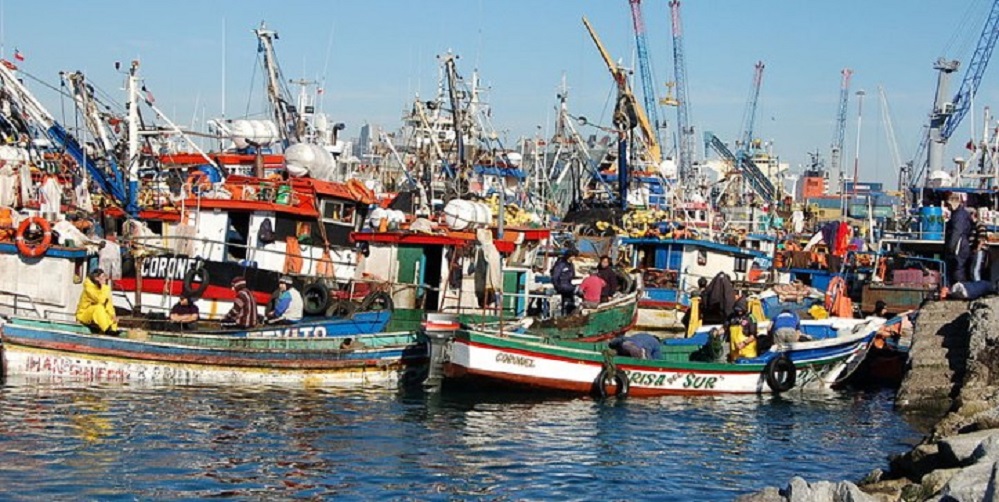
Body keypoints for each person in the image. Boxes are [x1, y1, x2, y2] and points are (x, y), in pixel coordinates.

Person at [76, 268, 119, 335]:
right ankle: (107, 330)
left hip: (98, 314)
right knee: (98, 308)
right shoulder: (89, 288)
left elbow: (109, 305)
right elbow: (100, 300)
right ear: (97, 278)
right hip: (84, 314)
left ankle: (113, 330)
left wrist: (113, 315)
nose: (105, 278)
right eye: (103, 277)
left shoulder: (104, 288)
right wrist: (105, 289)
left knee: (110, 315)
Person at [944, 193, 973, 285]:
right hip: (962, 243)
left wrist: (951, 247)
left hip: (959, 244)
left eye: (949, 204)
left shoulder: (959, 215)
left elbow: (957, 231)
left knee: (958, 268)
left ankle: (960, 288)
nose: (948, 207)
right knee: (958, 267)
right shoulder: (961, 214)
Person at [725, 297, 759, 361]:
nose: (739, 312)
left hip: (748, 352)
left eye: (741, 310)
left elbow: (753, 336)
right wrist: (717, 332)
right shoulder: (732, 317)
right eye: (737, 310)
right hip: (735, 352)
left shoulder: (751, 318)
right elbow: (725, 328)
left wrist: (743, 343)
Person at [550, 248, 578, 316]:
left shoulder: (571, 265)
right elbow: (555, 276)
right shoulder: (561, 264)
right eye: (573, 256)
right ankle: (563, 314)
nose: (574, 258)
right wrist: (557, 287)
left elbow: (573, 275)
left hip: (569, 287)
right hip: (562, 287)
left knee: (570, 303)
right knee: (562, 304)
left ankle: (569, 314)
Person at [971, 208, 989, 282]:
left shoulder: (980, 224)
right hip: (976, 250)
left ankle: (978, 286)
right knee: (973, 270)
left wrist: (978, 249)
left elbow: (982, 238)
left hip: (979, 250)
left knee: (975, 270)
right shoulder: (974, 225)